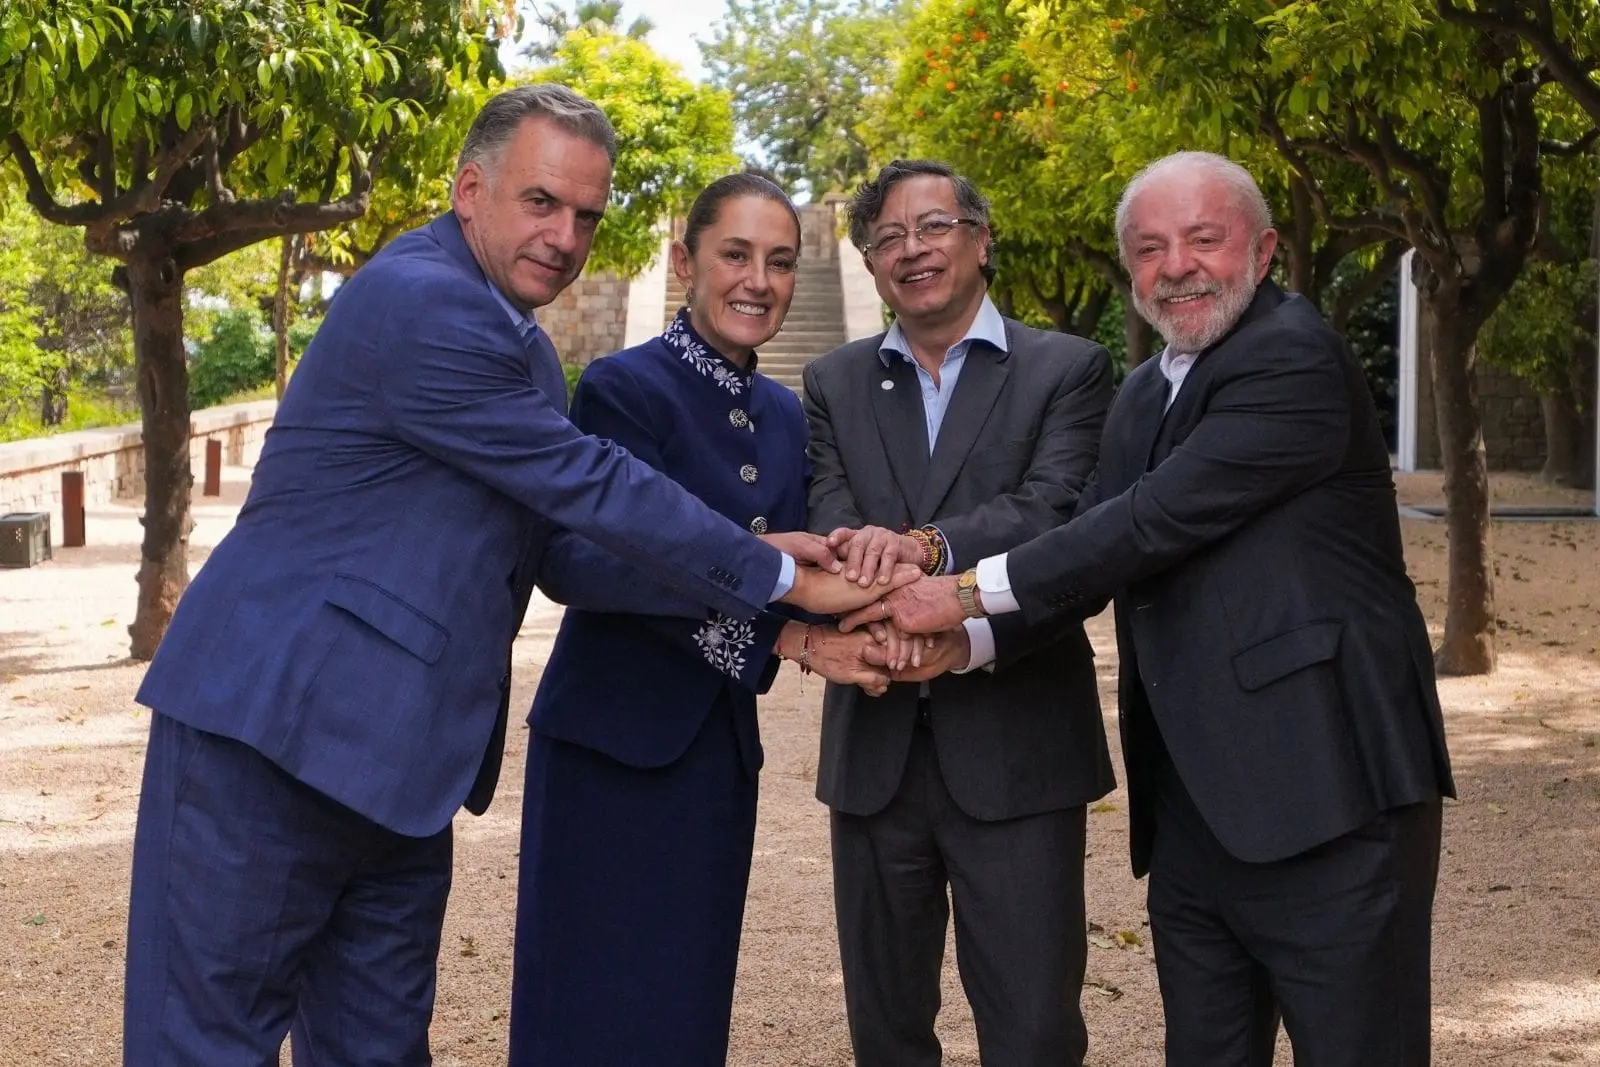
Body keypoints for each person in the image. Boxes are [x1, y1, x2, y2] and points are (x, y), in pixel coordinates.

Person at [122, 85, 904, 1067]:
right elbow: (588, 480)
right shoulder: (423, 302)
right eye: (541, 201)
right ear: (468, 189)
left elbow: (569, 553)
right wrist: (771, 575)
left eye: (585, 213)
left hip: (404, 768)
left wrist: (776, 611)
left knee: (377, 1049)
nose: (564, 235)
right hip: (269, 739)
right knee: (206, 1045)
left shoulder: (531, 354)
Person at [854, 151, 1455, 1067]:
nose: (1175, 265)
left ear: (1264, 249)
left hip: (1331, 797)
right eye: (1148, 248)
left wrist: (962, 589)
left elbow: (1149, 522)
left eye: (1202, 239)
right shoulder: (1145, 391)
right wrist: (965, 646)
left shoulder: (1294, 357)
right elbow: (1089, 551)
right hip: (1195, 816)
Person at [505, 172, 902, 1066]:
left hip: (716, 753)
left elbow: (798, 568)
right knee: (584, 1007)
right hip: (608, 744)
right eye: (736, 255)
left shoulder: (783, 414)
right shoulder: (622, 387)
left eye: (780, 262)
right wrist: (791, 629)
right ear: (684, 262)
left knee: (685, 1007)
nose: (758, 281)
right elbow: (579, 563)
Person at [803, 159, 1116, 1067]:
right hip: (874, 745)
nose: (912, 249)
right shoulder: (834, 380)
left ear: (980, 239)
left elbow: (1054, 511)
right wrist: (886, 604)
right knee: (886, 1030)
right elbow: (830, 517)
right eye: (888, 237)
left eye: (933, 227)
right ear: (869, 264)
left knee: (1033, 1027)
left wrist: (929, 553)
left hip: (1018, 743)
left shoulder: (1068, 367)